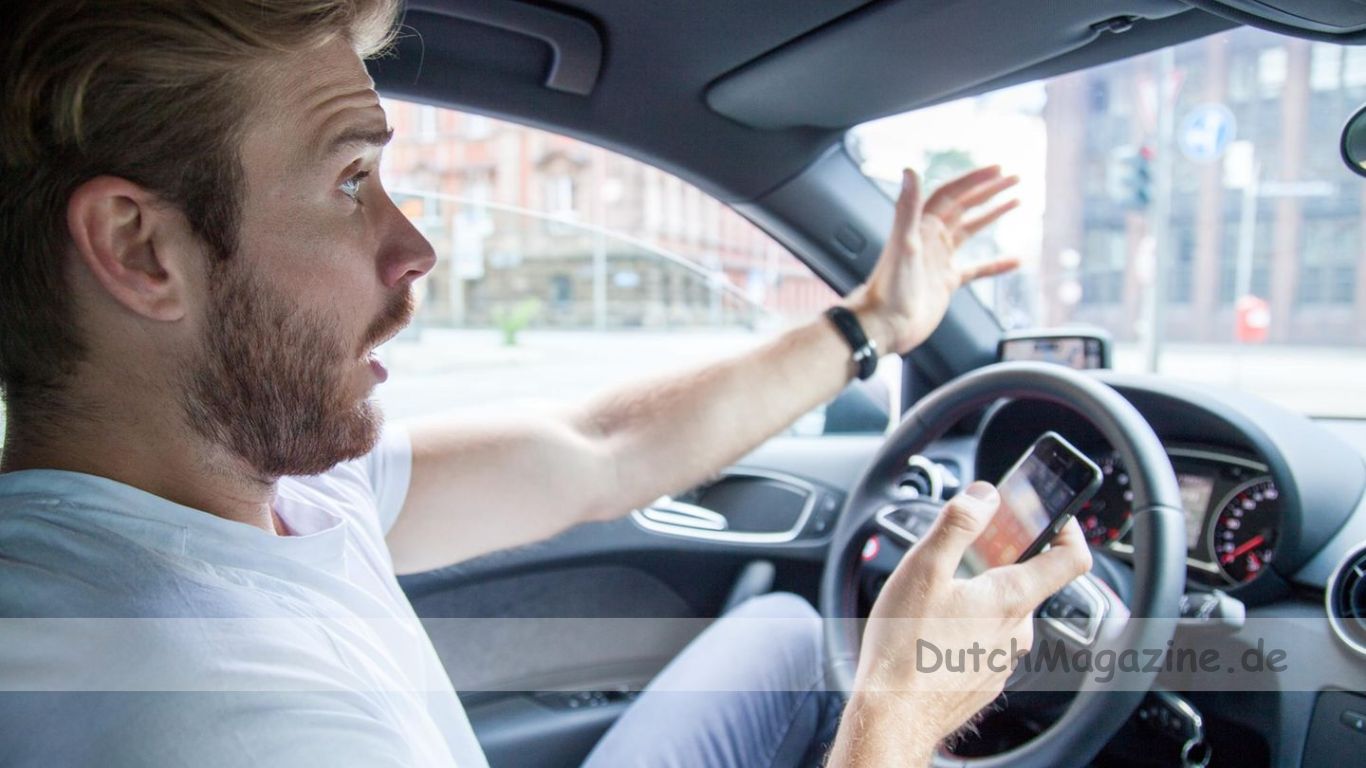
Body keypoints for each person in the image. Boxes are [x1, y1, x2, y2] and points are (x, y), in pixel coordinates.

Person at [0, 1, 1093, 766]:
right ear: (142, 251)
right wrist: (899, 716)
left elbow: (602, 451)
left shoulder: (256, 477)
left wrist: (874, 326)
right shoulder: (201, 722)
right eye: (347, 181)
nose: (414, 247)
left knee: (781, 644)